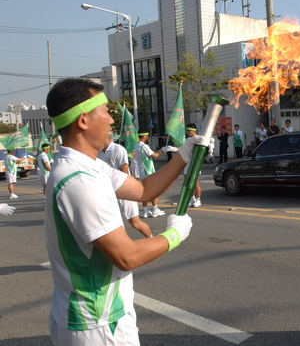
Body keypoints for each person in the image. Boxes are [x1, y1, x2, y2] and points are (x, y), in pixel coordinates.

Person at [45, 77, 195, 345]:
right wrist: (175, 235)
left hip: (102, 314)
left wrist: (183, 155)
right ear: (83, 120)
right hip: (95, 323)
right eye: (105, 112)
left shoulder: (91, 167)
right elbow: (126, 256)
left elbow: (143, 190)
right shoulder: (78, 181)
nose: (112, 121)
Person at [98, 138, 152, 238]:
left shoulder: (118, 149)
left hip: (124, 192)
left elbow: (125, 172)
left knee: (135, 222)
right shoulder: (98, 152)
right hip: (108, 194)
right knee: (113, 225)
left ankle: (152, 239)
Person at [134, 132, 166, 218]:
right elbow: (155, 155)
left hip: (141, 173)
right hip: (148, 172)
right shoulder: (144, 146)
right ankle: (155, 210)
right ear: (144, 136)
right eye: (147, 136)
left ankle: (145, 211)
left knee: (144, 193)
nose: (148, 137)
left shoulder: (136, 146)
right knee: (154, 191)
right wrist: (163, 150)